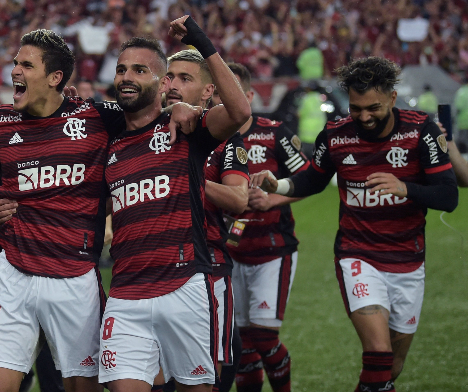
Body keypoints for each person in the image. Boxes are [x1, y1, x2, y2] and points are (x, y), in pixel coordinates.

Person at [0, 28, 128, 392]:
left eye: (26, 65)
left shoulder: (99, 117)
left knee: (82, 385)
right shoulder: (0, 122)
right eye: (15, 62)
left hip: (74, 276)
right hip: (13, 272)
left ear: (55, 78)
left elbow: (146, 117)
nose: (14, 70)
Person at [251, 57, 459, 392]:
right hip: (358, 255)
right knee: (378, 353)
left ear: (392, 97)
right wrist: (280, 186)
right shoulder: (335, 135)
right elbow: (312, 182)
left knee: (392, 366)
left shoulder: (421, 130)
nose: (363, 117)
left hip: (408, 260)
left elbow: (449, 196)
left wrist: (406, 188)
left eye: (373, 108)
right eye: (356, 108)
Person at [98, 16, 250, 391]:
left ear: (160, 81)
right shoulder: (108, 141)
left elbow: (239, 113)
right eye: (120, 70)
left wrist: (201, 40)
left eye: (139, 69)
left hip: (183, 285)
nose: (126, 77)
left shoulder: (186, 129)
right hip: (125, 292)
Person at [165, 49, 250, 392]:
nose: (173, 85)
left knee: (206, 373)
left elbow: (238, 200)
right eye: (169, 77)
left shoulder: (225, 139)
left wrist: (193, 175)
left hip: (206, 268)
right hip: (145, 267)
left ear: (207, 92)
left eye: (185, 79)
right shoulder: (140, 129)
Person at [220, 63, 307, 392]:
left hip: (273, 249)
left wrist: (273, 200)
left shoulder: (274, 133)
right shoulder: (211, 136)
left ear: (250, 96)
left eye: (235, 93)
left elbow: (309, 179)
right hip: (230, 251)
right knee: (241, 343)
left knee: (264, 335)